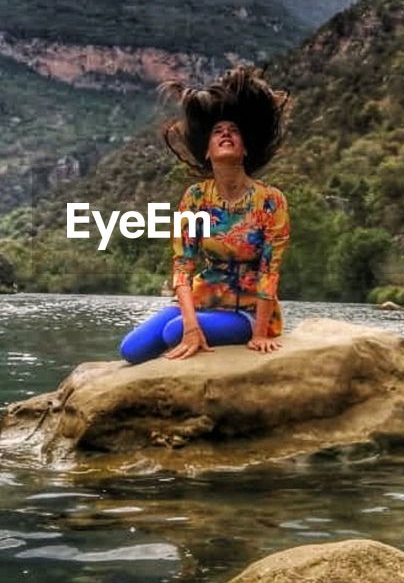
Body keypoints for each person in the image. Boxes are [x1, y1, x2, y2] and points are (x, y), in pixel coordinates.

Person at [119, 65, 291, 364]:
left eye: (234, 131)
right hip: (203, 297)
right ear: (208, 151)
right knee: (132, 349)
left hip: (246, 309)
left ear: (245, 148)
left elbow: (269, 272)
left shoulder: (271, 200)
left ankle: (207, 334)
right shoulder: (195, 198)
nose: (226, 133)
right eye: (218, 132)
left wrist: (260, 333)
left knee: (173, 333)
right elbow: (183, 267)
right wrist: (191, 324)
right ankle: (188, 330)